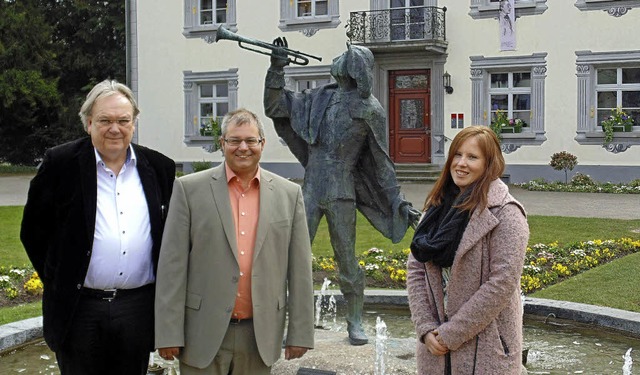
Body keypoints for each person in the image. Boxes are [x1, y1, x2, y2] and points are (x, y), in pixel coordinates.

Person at [264, 41, 420, 345]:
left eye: (343, 58)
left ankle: (355, 321)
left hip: (342, 191)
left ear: (351, 69)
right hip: (310, 189)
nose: (336, 60)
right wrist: (276, 68)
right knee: (294, 256)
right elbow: (275, 106)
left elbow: (381, 161)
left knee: (346, 258)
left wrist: (396, 199)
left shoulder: (369, 109)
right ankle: (293, 323)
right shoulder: (318, 98)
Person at [20, 79, 176, 374]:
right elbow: (33, 232)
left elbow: (170, 236)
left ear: (134, 123)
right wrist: (59, 278)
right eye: (104, 120)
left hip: (137, 307)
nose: (114, 128)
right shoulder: (61, 163)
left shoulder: (160, 168)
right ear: (88, 122)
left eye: (123, 120)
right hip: (80, 309)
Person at [154, 108, 314, 374]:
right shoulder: (188, 189)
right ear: (222, 144)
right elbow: (172, 267)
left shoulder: (289, 194)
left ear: (262, 144)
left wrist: (300, 332)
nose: (243, 147)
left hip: (259, 334)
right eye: (234, 140)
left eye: (251, 140)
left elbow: (299, 271)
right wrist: (169, 333)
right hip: (201, 332)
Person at [407, 125, 529, 374]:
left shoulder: (506, 213)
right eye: (457, 155)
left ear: (489, 164)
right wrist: (425, 327)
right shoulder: (436, 208)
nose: (461, 163)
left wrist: (451, 334)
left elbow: (502, 284)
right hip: (434, 347)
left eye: (472, 157)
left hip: (485, 350)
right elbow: (416, 270)